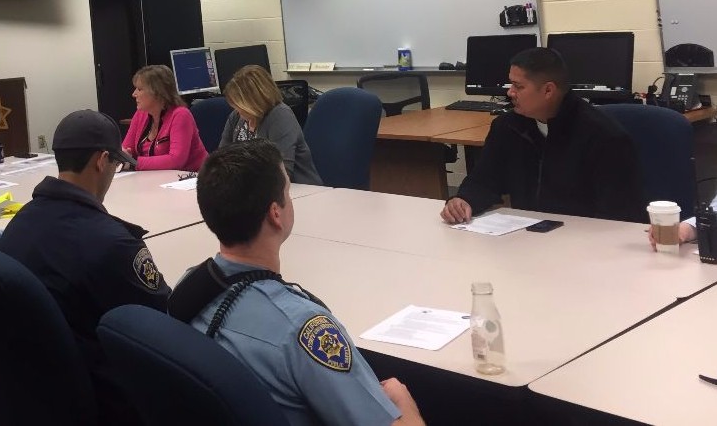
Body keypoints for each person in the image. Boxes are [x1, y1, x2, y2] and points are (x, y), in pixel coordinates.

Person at [168, 139, 425, 426]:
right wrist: (404, 403)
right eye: (288, 192)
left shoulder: (190, 285)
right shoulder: (303, 328)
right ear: (276, 214)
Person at [0, 109, 170, 425]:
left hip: (30, 385)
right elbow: (165, 324)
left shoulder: (22, 219)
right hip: (100, 397)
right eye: (116, 164)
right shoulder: (112, 244)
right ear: (102, 160)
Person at [440, 47, 645, 225]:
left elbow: (618, 214)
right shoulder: (507, 127)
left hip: (583, 243)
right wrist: (464, 200)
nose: (510, 93)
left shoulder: (603, 136)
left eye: (518, 87)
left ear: (548, 90)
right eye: (511, 84)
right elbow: (485, 180)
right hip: (528, 237)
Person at [218, 64, 321, 184]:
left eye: (241, 105)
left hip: (296, 191)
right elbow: (221, 160)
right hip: (250, 190)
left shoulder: (280, 116)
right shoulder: (237, 117)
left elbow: (281, 173)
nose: (237, 110)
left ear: (255, 101)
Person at [121, 64, 209, 171]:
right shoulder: (140, 114)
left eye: (139, 89)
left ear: (157, 92)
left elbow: (176, 161)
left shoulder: (181, 115)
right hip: (155, 178)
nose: (134, 94)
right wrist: (124, 156)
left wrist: (133, 163)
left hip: (191, 178)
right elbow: (125, 151)